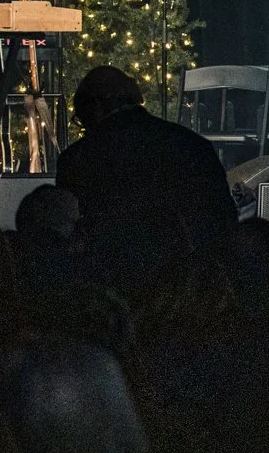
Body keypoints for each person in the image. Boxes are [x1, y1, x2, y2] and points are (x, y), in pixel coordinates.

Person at [56, 66, 238, 290]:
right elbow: (221, 220)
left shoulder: (79, 157)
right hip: (188, 285)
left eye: (82, 121)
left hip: (110, 285)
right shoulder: (190, 144)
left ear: (95, 108)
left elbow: (73, 232)